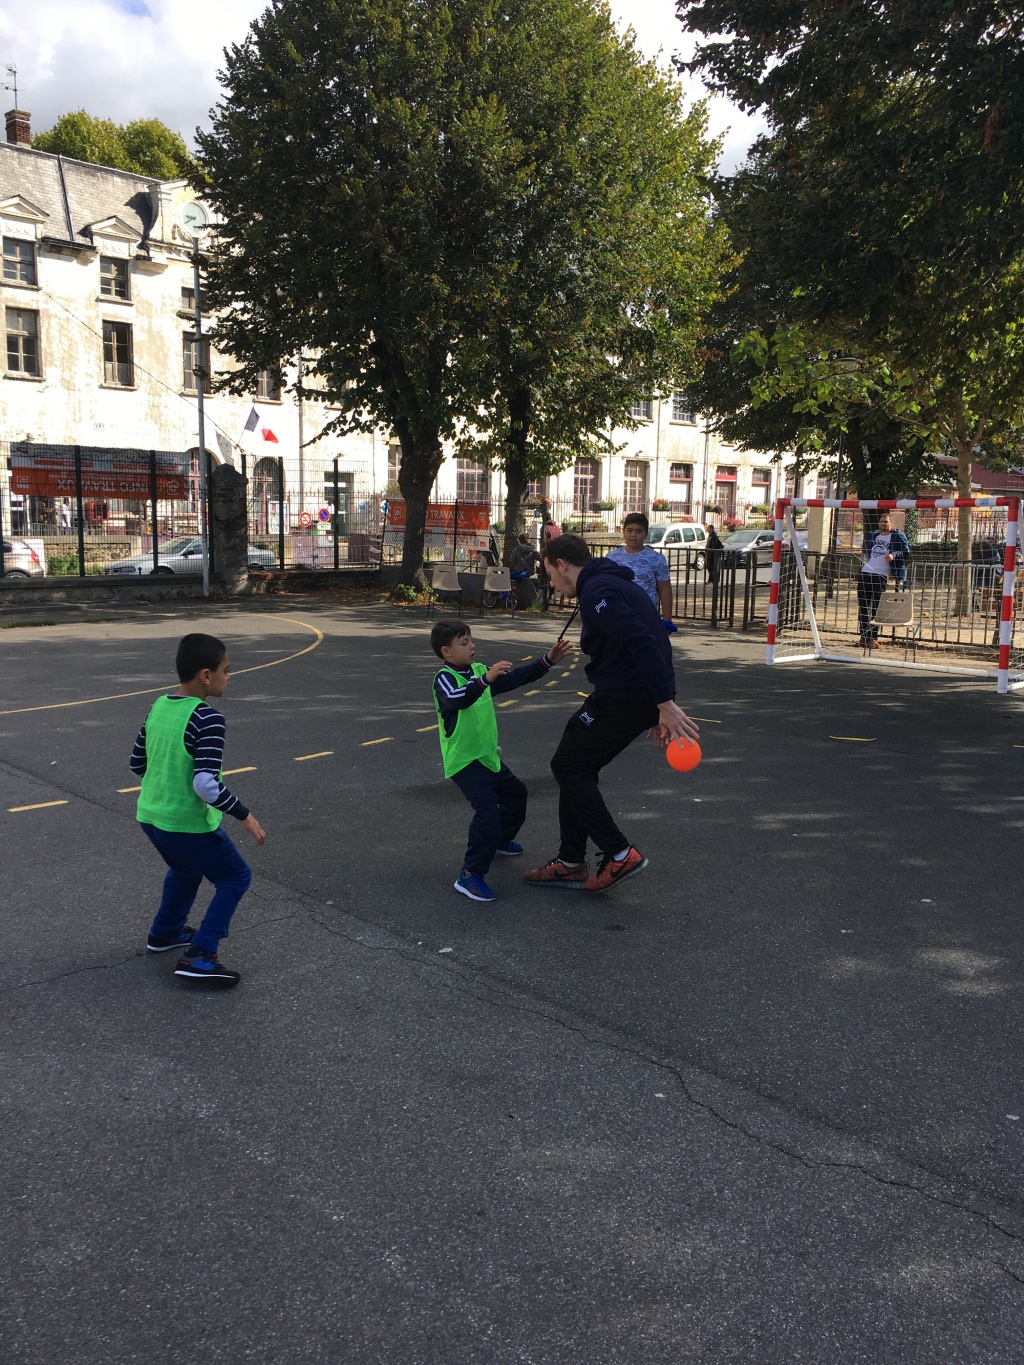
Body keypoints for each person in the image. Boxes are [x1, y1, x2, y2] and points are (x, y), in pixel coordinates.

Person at [523, 534, 699, 893]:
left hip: (623, 698)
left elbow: (644, 641)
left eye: (550, 576)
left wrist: (664, 703)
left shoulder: (597, 593)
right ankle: (570, 862)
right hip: (628, 696)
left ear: (561, 564)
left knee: (569, 766)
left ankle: (619, 853)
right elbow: (654, 639)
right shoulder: (606, 584)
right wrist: (658, 704)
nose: (553, 586)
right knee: (576, 764)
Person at [131, 633, 266, 987]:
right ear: (206, 675)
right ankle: (202, 954)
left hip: (151, 816)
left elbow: (136, 763)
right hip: (187, 823)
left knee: (184, 870)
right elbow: (205, 785)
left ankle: (165, 933)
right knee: (235, 878)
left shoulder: (158, 705)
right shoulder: (208, 718)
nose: (229, 676)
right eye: (226, 669)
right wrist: (245, 816)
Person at [431, 619, 573, 902]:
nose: (472, 646)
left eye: (471, 640)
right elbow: (459, 699)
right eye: (464, 643)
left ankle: (497, 840)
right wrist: (485, 680)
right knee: (487, 815)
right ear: (446, 652)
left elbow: (517, 677)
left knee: (516, 795)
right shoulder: (445, 679)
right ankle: (470, 875)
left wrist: (547, 661)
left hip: (487, 757)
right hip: (464, 762)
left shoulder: (481, 671)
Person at [606, 512, 675, 630]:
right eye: (629, 530)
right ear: (624, 532)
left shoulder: (657, 559)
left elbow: (665, 589)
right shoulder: (612, 558)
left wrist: (667, 621)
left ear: (645, 534)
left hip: (647, 617)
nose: (633, 535)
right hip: (619, 616)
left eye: (639, 531)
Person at [857, 512, 910, 647]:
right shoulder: (874, 535)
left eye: (886, 522)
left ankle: (873, 637)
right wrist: (865, 556)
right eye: (881, 521)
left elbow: (906, 552)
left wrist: (893, 554)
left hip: (880, 575)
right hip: (866, 572)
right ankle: (863, 636)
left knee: (876, 607)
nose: (883, 524)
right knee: (863, 607)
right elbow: (868, 550)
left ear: (891, 523)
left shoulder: (898, 536)